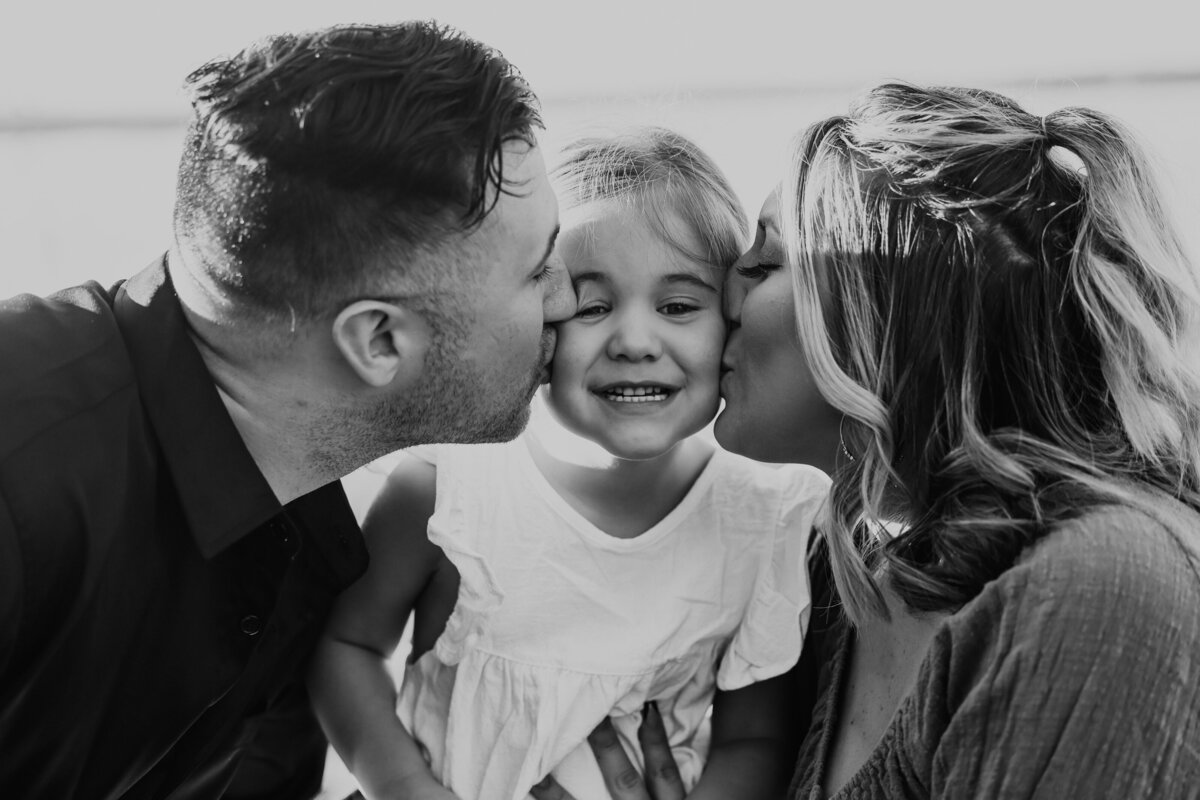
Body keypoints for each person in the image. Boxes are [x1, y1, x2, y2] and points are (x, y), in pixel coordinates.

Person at [537, 83, 1200, 798]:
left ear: (880, 310)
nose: (722, 302)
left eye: (763, 265)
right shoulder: (830, 570)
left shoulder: (1104, 583)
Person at [0, 21, 574, 800]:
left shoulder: (305, 525)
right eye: (539, 273)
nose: (569, 301)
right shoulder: (20, 467)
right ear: (377, 339)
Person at [307, 127, 832, 800]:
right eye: (592, 306)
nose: (635, 341)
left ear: (730, 321)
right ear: (541, 319)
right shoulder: (450, 489)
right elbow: (346, 649)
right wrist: (406, 787)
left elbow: (753, 737)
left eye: (677, 306)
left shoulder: (766, 514)